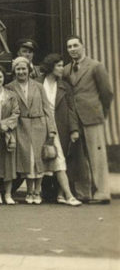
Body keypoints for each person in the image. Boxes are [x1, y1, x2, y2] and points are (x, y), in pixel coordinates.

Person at [63, 35, 113, 203]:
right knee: (79, 157)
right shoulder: (66, 69)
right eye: (69, 47)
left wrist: (101, 112)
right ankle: (84, 192)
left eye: (75, 45)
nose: (73, 49)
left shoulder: (95, 66)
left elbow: (107, 93)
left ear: (83, 46)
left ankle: (102, 192)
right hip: (75, 119)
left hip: (92, 116)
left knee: (97, 155)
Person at [6, 56, 56, 204]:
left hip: (39, 125)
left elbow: (47, 108)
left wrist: (51, 129)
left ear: (29, 70)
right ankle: (29, 191)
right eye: (18, 69)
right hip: (21, 126)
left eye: (24, 69)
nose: (21, 72)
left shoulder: (38, 86)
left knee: (39, 159)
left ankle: (37, 191)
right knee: (28, 160)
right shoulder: (10, 87)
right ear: (14, 71)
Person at [38, 53, 82, 206]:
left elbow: (71, 109)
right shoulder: (38, 83)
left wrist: (74, 129)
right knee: (41, 159)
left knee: (59, 159)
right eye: (59, 66)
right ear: (51, 67)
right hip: (40, 125)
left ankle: (65, 194)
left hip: (58, 126)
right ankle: (40, 193)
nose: (62, 69)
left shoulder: (65, 86)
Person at [0, 64, 20, 205]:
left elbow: (16, 113)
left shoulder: (11, 95)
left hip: (7, 133)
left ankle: (8, 194)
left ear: (3, 78)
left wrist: (3, 125)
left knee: (8, 164)